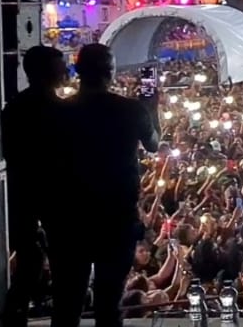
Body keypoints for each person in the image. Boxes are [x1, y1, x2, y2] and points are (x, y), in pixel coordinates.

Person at [50, 44, 160, 327]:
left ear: (78, 71)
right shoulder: (130, 110)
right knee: (109, 303)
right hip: (116, 218)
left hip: (69, 218)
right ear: (111, 73)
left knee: (67, 302)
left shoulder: (59, 112)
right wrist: (152, 108)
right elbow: (153, 144)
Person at [2, 46, 67, 326]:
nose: (65, 72)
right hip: (49, 195)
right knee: (62, 265)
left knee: (31, 261)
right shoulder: (57, 111)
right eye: (59, 66)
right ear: (45, 72)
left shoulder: (14, 108)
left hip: (21, 195)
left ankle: (13, 314)